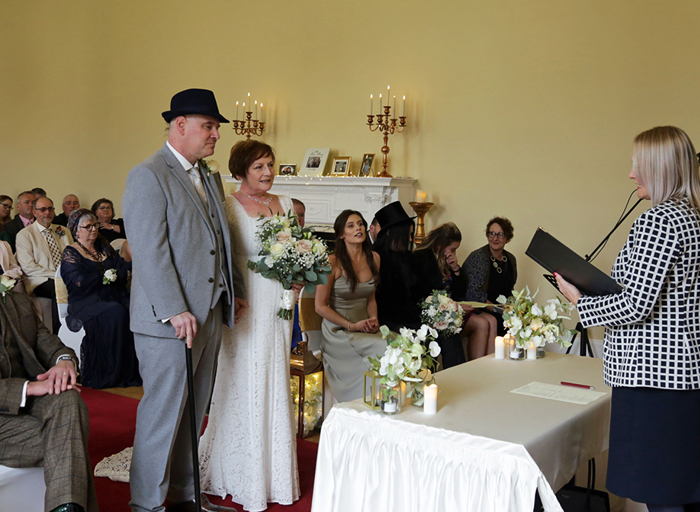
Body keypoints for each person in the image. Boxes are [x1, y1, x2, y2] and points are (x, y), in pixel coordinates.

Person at [556, 126, 700, 512]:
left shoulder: (659, 220)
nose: (631, 174)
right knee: (679, 493)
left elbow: (637, 305)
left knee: (662, 497)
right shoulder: (690, 217)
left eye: (638, 165)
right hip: (679, 375)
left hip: (653, 377)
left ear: (660, 168)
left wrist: (579, 300)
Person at [123, 88, 243, 512]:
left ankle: (186, 495)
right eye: (209, 126)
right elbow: (149, 249)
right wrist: (174, 309)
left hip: (208, 312)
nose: (215, 135)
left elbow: (220, 241)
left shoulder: (207, 174)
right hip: (168, 320)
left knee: (194, 410)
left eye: (215, 128)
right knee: (163, 413)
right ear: (180, 126)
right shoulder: (148, 174)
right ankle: (147, 505)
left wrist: (234, 291)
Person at [199, 139, 300, 511]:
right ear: (241, 171)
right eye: (259, 166)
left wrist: (300, 272)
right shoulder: (227, 207)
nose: (268, 173)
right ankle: (238, 469)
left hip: (279, 303)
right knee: (244, 377)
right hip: (245, 302)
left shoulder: (285, 205)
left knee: (275, 375)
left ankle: (275, 471)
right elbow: (221, 259)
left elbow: (296, 248)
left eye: (270, 165)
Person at [0, 289, 97, 512]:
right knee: (70, 439)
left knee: (68, 397)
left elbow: (50, 344)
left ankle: (65, 508)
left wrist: (64, 362)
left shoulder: (16, 300)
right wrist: (28, 387)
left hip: (24, 408)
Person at [60, 208, 141, 389]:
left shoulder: (103, 246)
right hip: (84, 302)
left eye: (95, 225)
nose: (93, 229)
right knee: (116, 312)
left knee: (131, 307)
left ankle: (131, 370)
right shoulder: (71, 253)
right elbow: (78, 282)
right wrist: (106, 276)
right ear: (76, 231)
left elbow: (122, 267)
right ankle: (110, 372)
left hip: (109, 297)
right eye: (88, 226)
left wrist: (121, 272)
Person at [315, 209, 385, 401]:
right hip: (339, 332)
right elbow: (320, 306)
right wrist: (351, 326)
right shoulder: (331, 262)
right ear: (340, 234)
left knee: (398, 344)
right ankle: (372, 403)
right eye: (351, 225)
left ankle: (388, 403)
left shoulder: (375, 259)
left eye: (360, 224)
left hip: (363, 328)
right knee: (385, 346)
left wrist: (374, 321)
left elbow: (371, 298)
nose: (358, 228)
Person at [413, 222, 468, 368]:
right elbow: (427, 292)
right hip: (430, 312)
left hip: (448, 311)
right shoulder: (422, 257)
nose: (454, 253)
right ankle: (454, 371)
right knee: (449, 333)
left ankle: (460, 371)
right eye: (452, 249)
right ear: (440, 245)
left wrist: (456, 269)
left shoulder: (446, 261)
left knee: (452, 330)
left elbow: (460, 293)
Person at [16, 196, 74, 334]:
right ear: (35, 212)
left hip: (65, 275)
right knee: (58, 289)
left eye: (50, 209)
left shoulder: (63, 230)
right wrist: (58, 276)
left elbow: (73, 257)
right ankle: (59, 333)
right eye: (42, 210)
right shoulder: (25, 235)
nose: (47, 213)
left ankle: (81, 328)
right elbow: (28, 267)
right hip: (40, 279)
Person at [461, 217, 515, 359]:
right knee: (497, 320)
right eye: (491, 233)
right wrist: (499, 309)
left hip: (500, 309)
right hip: (479, 308)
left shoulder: (510, 259)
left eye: (500, 234)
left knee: (519, 321)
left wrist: (514, 308)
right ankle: (486, 365)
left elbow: (510, 290)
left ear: (508, 238)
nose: (495, 238)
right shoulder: (479, 257)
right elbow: (472, 294)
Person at [373, 201, 418, 332]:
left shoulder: (409, 258)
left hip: (408, 317)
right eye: (407, 235)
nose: (410, 240)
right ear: (391, 234)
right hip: (387, 320)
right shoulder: (376, 258)